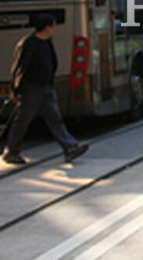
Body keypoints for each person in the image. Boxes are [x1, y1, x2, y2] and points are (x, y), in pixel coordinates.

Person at [2, 14, 88, 165]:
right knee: (22, 121)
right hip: (32, 89)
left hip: (46, 88)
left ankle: (70, 147)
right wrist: (15, 90)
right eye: (53, 26)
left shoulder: (47, 42)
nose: (54, 29)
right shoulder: (29, 43)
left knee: (55, 119)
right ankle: (11, 152)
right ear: (47, 27)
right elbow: (20, 68)